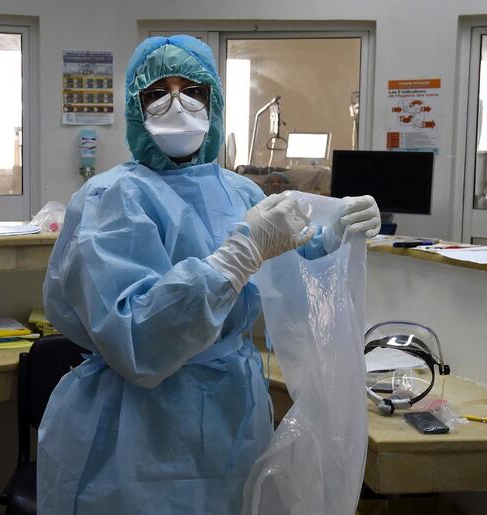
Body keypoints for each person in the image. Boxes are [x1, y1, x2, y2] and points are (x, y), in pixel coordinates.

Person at [39, 35, 380, 515]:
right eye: (158, 91)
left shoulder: (240, 192)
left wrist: (332, 240)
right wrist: (236, 257)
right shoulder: (109, 199)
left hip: (231, 417)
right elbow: (138, 340)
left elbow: (286, 288)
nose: (176, 104)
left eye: (192, 91)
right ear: (136, 107)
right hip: (135, 434)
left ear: (213, 101)